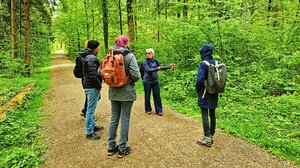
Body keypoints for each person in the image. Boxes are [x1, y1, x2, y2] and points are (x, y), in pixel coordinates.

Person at [106, 35, 140, 158]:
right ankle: (122, 148)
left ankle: (111, 147)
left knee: (114, 118)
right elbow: (136, 75)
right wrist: (127, 80)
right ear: (126, 43)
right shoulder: (130, 56)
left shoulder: (110, 54)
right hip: (126, 92)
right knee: (125, 119)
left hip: (113, 91)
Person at [195, 44, 219, 147]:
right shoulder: (217, 63)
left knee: (204, 113)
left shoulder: (203, 64)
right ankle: (211, 135)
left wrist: (198, 90)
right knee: (212, 113)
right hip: (215, 91)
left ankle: (207, 138)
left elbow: (199, 80)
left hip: (205, 92)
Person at [140, 48, 176, 116]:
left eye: (149, 53)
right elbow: (147, 70)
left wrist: (169, 66)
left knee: (157, 95)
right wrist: (143, 79)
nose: (147, 54)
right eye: (146, 53)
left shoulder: (155, 60)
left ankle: (159, 110)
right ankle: (148, 109)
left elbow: (161, 68)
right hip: (147, 81)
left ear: (152, 54)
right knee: (147, 95)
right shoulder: (144, 62)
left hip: (155, 80)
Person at [80, 40, 104, 140]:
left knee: (93, 104)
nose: (99, 48)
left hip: (89, 85)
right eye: (98, 46)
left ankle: (93, 125)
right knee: (90, 110)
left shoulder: (88, 56)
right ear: (94, 47)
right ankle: (89, 132)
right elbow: (92, 75)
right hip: (91, 86)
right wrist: (98, 85)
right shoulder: (91, 58)